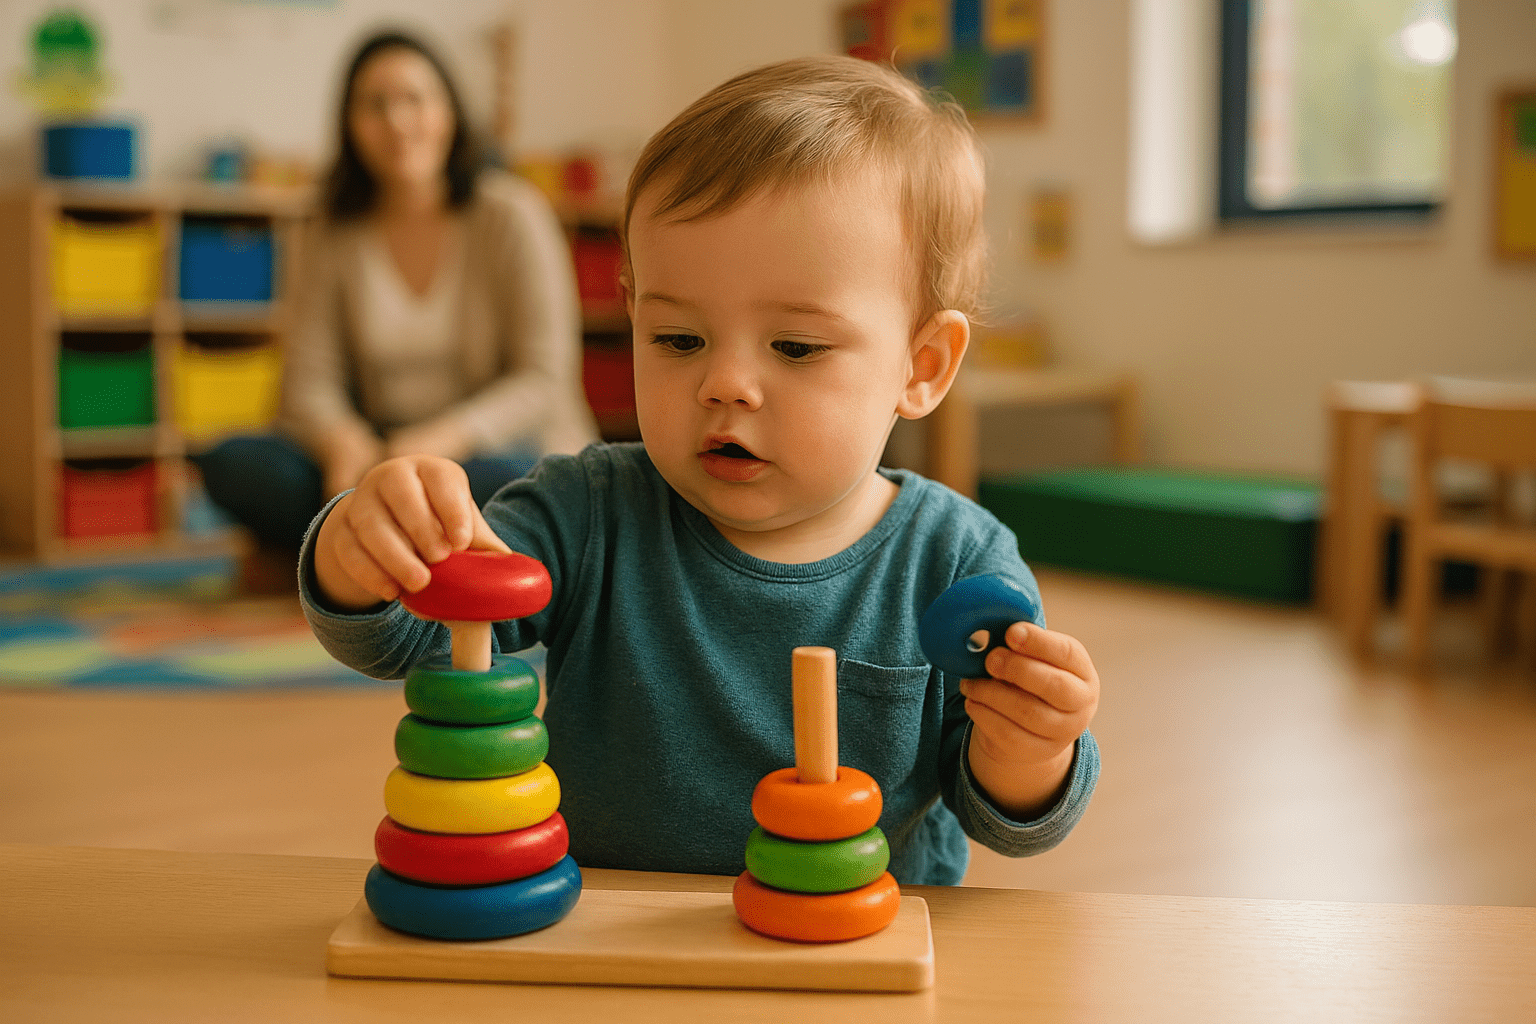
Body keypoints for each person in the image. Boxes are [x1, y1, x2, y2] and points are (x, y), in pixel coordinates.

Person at [301, 56, 1100, 885]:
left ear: (922, 366)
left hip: (848, 964)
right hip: (612, 949)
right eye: (678, 340)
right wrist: (362, 554)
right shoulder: (586, 512)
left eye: (795, 347)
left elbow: (1006, 820)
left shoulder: (958, 564)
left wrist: (1030, 748)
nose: (724, 384)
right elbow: (428, 640)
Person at [194, 30, 597, 553]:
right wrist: (345, 439)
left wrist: (439, 440)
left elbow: (543, 379)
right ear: (349, 126)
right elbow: (308, 382)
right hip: (376, 454)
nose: (397, 122)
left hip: (488, 449)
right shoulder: (333, 231)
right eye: (375, 105)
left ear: (449, 110)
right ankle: (406, 544)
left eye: (415, 99)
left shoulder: (512, 214)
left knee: (522, 483)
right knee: (232, 464)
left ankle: (352, 545)